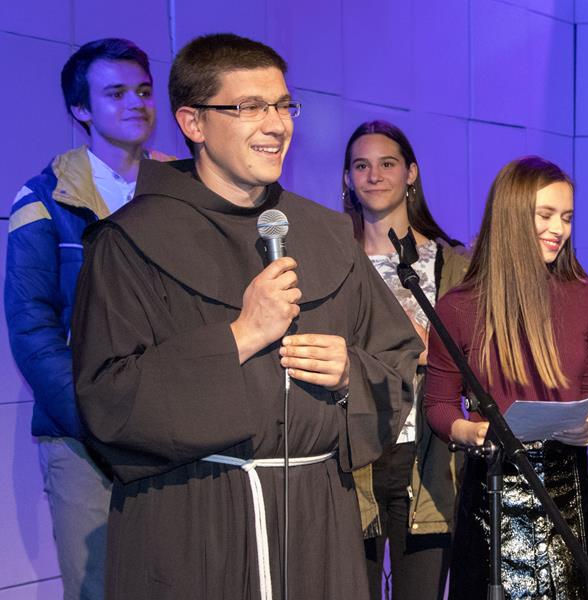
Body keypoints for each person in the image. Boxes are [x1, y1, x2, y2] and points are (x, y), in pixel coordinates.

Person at [70, 34, 422, 600]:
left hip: (317, 520)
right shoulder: (130, 241)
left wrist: (350, 373)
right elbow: (107, 400)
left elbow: (396, 362)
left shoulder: (327, 235)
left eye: (283, 105)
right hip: (194, 519)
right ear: (193, 122)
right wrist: (239, 336)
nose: (277, 125)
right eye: (250, 107)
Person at [4, 37, 170, 600]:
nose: (136, 104)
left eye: (143, 91)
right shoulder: (43, 198)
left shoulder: (180, 191)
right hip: (82, 435)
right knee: (97, 587)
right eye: (116, 93)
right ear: (81, 109)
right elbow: (31, 324)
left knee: (179, 580)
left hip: (172, 425)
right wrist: (92, 415)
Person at [424, 156, 588, 599]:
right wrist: (470, 431)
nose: (558, 229)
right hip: (492, 484)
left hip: (565, 485)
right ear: (510, 217)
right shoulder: (459, 306)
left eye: (566, 217)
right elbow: (439, 404)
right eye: (545, 215)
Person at [342, 120, 469, 600]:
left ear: (411, 173)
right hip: (351, 460)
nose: (374, 175)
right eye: (361, 166)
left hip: (428, 460)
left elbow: (474, 358)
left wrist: (433, 351)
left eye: (387, 163)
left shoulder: (452, 264)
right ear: (348, 178)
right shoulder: (333, 260)